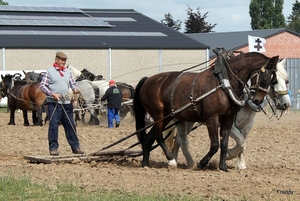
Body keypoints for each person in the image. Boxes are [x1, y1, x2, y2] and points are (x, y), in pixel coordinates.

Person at [39, 51, 84, 156]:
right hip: (54, 103)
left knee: (70, 124)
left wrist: (76, 89)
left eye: (65, 60)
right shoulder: (49, 72)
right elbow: (42, 86)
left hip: (66, 103)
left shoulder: (68, 72)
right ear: (56, 60)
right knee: (54, 125)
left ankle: (76, 147)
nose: (64, 62)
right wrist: (52, 94)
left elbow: (73, 83)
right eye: (62, 60)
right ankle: (53, 148)